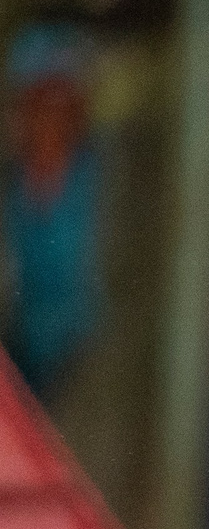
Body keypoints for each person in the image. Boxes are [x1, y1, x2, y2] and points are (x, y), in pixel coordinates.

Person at [3, 24, 103, 401]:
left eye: (61, 103)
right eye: (38, 101)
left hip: (60, 364)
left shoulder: (89, 179)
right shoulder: (15, 183)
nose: (48, 117)